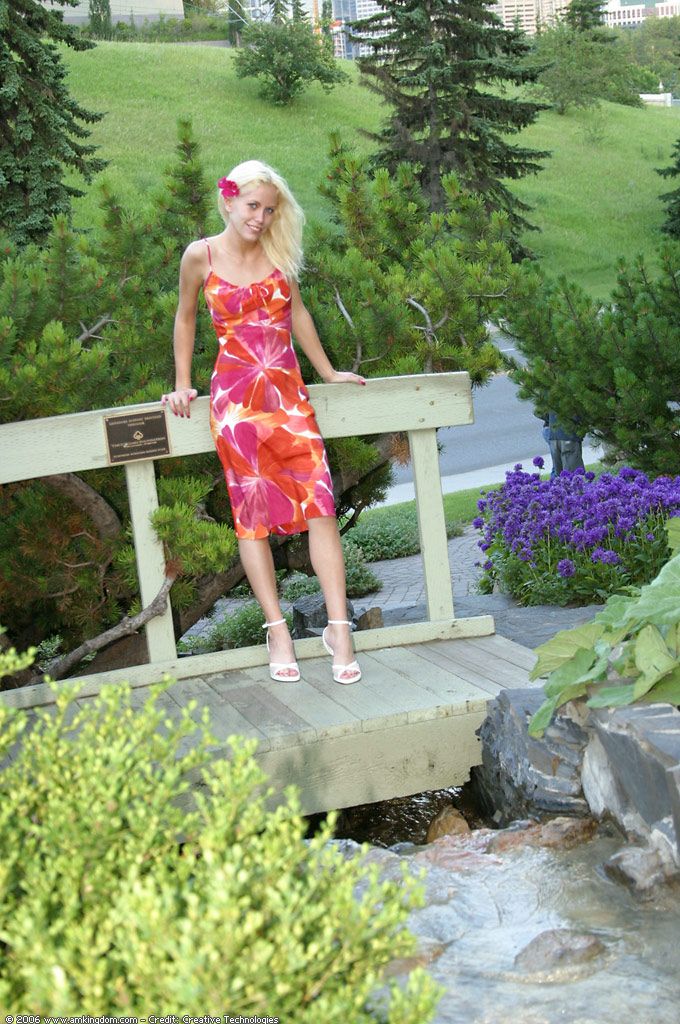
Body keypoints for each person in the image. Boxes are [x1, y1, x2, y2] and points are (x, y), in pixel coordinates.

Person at [162, 161, 365, 685]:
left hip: (289, 400)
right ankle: (277, 631)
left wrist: (328, 372)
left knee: (321, 505)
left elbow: (297, 314)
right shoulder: (200, 256)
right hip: (236, 404)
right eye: (253, 205)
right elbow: (185, 316)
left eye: (270, 209)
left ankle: (339, 629)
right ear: (228, 200)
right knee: (250, 517)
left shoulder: (279, 252)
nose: (261, 217)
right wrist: (182, 381)